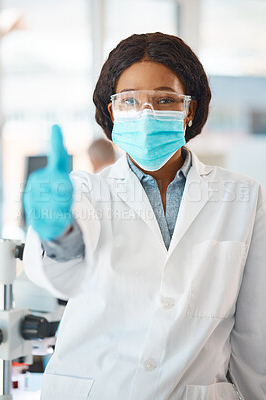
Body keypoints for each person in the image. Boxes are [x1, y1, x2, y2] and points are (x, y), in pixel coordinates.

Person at [23, 33, 266, 400]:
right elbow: (67, 263)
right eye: (130, 100)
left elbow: (255, 332)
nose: (147, 112)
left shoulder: (244, 197)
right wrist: (59, 233)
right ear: (112, 111)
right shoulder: (87, 191)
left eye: (165, 99)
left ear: (190, 109)